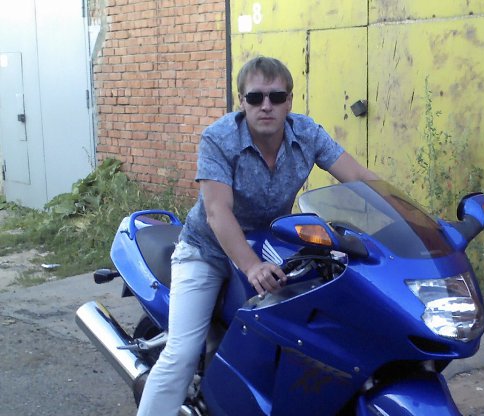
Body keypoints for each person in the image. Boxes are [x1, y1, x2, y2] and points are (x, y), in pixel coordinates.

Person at [136, 56, 379, 415]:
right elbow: (218, 211)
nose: (266, 105)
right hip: (207, 252)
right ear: (242, 101)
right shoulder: (219, 138)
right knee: (181, 354)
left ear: (289, 101)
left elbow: (357, 177)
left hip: (270, 246)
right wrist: (250, 266)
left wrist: (413, 219)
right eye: (255, 97)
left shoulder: (307, 134)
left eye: (276, 97)